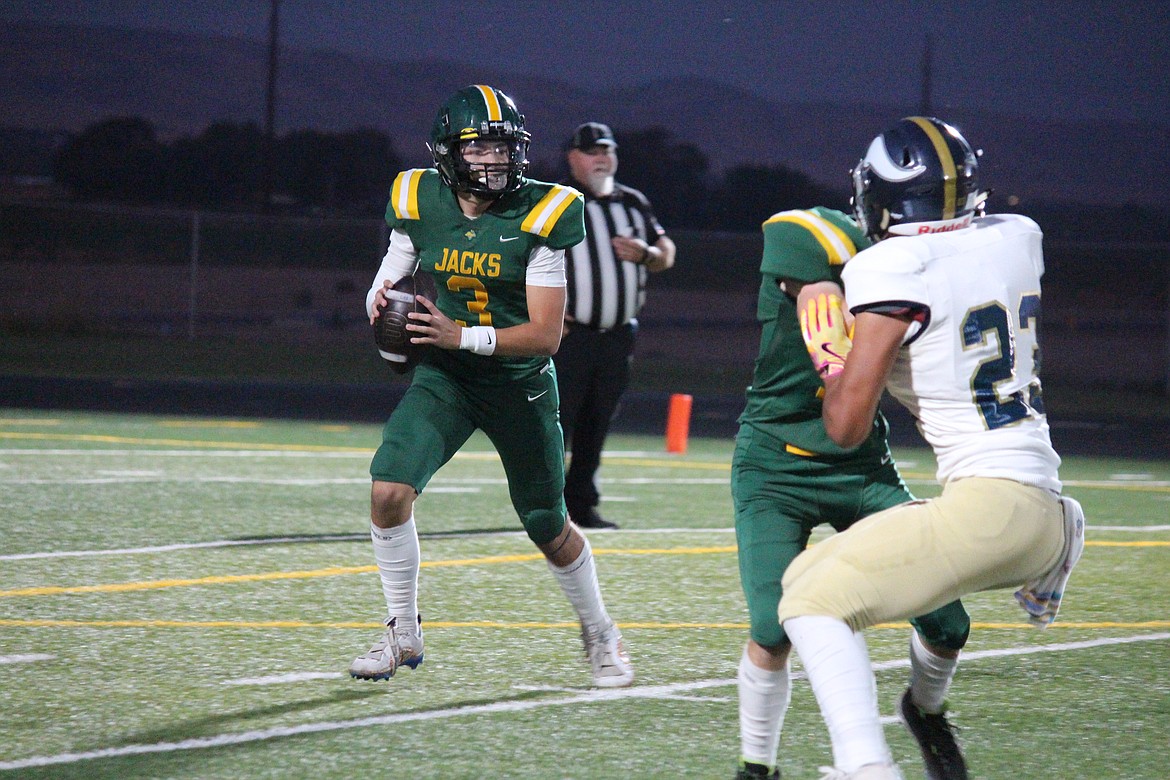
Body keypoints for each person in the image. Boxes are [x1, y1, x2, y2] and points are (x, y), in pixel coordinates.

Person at [779, 116, 1085, 779]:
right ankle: (925, 707)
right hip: (1033, 500)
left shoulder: (889, 266)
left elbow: (845, 428)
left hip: (991, 509)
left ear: (881, 196)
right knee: (804, 578)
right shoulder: (1018, 236)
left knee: (809, 605)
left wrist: (830, 350)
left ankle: (867, 768)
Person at [349, 85, 634, 689]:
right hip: (446, 378)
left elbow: (546, 335)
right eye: (480, 147)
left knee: (546, 523)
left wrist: (460, 336)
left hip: (517, 381)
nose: (495, 160)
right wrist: (381, 306)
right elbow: (392, 274)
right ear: (449, 154)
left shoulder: (544, 211)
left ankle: (600, 631)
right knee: (388, 491)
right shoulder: (416, 195)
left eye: (504, 147)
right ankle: (402, 631)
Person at [731, 207, 971, 780]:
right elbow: (792, 236)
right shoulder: (812, 249)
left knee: (948, 623)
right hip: (775, 471)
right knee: (772, 625)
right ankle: (755, 768)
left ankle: (926, 710)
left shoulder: (896, 280)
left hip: (861, 468)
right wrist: (834, 279)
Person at [553, 122, 676, 530]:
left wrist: (646, 254)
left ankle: (582, 505)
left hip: (618, 336)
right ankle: (545, 506)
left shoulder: (634, 202)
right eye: (591, 151)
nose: (601, 158)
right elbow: (522, 260)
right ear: (573, 158)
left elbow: (667, 252)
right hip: (571, 335)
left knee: (598, 421)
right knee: (557, 422)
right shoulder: (557, 201)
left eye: (607, 150)